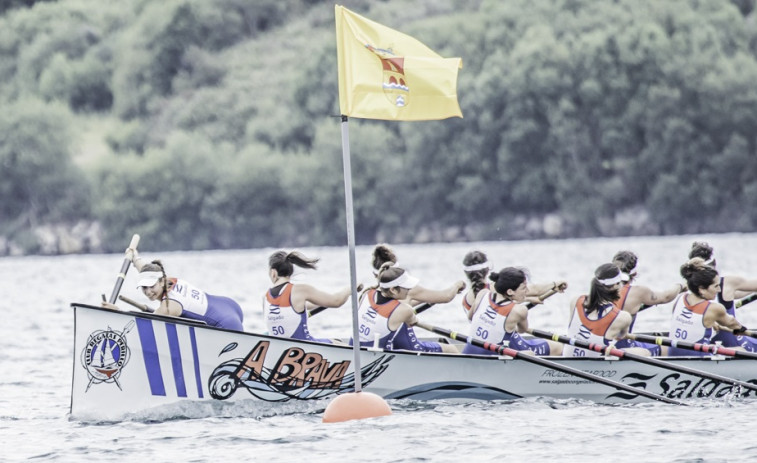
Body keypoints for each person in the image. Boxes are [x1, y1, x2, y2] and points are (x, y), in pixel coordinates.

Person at [103, 249, 245, 331]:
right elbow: (146, 270)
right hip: (229, 305)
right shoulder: (165, 278)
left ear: (161, 282)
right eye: (144, 288)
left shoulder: (169, 306)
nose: (148, 292)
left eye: (151, 286)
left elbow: (141, 326)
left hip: (227, 325)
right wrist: (135, 257)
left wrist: (117, 313)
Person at [352, 263, 459, 353]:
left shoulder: (367, 293)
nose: (409, 289)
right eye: (406, 287)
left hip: (355, 349)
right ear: (393, 290)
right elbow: (412, 320)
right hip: (378, 358)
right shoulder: (404, 310)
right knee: (452, 349)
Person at [463, 267, 563, 356]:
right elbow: (522, 330)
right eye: (524, 288)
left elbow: (470, 318)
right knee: (558, 347)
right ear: (510, 291)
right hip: (496, 355)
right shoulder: (520, 310)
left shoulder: (482, 294)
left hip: (469, 351)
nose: (527, 291)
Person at [563, 263, 651, 357]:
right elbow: (621, 336)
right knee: (645, 352)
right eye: (621, 282)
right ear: (615, 285)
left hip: (568, 356)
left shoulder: (576, 301)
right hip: (594, 366)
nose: (622, 285)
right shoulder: (623, 317)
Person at [264, 250, 351, 344]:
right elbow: (337, 301)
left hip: (281, 349)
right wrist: (350, 289)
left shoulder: (265, 298)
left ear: (273, 273)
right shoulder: (300, 290)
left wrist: (322, 302)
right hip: (305, 350)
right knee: (338, 342)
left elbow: (300, 306)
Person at [668, 257, 747, 356]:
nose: (719, 290)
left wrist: (712, 323)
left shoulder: (680, 299)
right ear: (702, 289)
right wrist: (743, 330)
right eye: (716, 286)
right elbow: (733, 324)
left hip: (672, 353)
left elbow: (692, 323)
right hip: (696, 359)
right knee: (742, 350)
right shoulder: (714, 308)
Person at [611, 250, 684, 356]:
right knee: (667, 345)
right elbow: (667, 296)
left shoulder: (600, 289)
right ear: (635, 273)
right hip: (621, 347)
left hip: (601, 344)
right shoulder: (638, 292)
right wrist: (681, 286)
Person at [688, 241, 757, 351]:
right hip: (736, 345)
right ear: (714, 264)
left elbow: (735, 294)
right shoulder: (727, 283)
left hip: (705, 346)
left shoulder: (688, 290)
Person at [461, 250, 567, 320]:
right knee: (557, 348)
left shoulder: (465, 300)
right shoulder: (497, 288)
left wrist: (529, 299)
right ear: (488, 269)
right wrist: (555, 284)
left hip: (481, 341)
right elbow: (535, 290)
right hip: (504, 343)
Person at [372, 244, 466, 305]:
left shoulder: (370, 293)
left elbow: (408, 300)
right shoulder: (404, 288)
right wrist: (457, 285)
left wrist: (426, 298)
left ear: (375, 274)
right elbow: (446, 296)